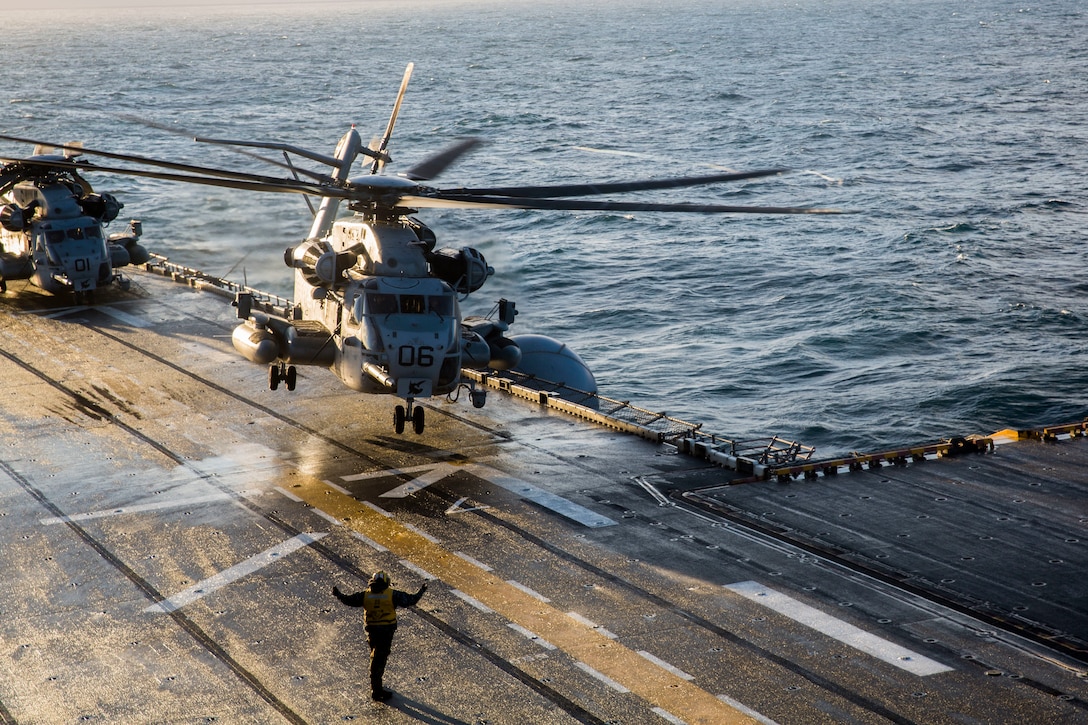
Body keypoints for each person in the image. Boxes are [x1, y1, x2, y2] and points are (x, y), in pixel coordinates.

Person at [333, 571, 427, 701]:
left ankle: (377, 686)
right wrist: (421, 591)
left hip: (371, 631)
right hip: (386, 631)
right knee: (379, 659)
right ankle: (376, 690)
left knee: (375, 654)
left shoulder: (365, 595)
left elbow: (349, 600)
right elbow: (410, 600)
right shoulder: (392, 594)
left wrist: (338, 594)